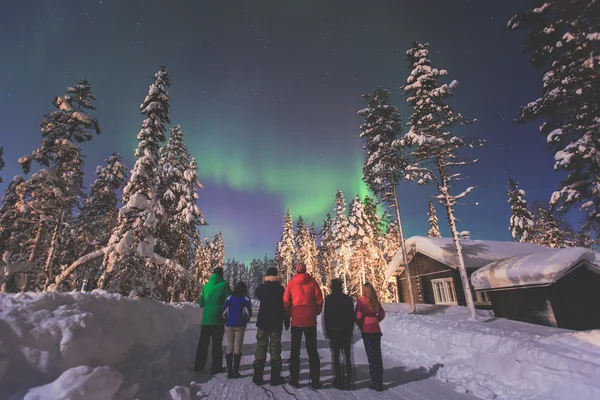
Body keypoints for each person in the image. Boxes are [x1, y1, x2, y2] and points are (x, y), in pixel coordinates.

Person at [283, 262, 324, 389]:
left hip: (296, 321)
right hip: (310, 321)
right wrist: (315, 312)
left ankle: (294, 380)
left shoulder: (291, 283)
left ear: (296, 271)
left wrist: (291, 313)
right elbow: (319, 299)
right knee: (312, 351)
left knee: (295, 351)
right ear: (305, 270)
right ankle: (315, 381)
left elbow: (285, 301)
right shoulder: (312, 282)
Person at [252, 267, 290, 386]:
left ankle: (258, 376)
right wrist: (286, 319)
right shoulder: (281, 289)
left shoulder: (262, 288)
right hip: (276, 323)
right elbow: (284, 306)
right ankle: (275, 378)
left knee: (261, 347)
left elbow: (256, 293)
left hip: (263, 322)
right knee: (275, 349)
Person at [194, 267, 231, 374]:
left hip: (206, 320)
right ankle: (216, 367)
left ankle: (198, 366)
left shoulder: (206, 286)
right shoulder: (224, 284)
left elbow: (201, 303)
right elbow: (229, 300)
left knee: (203, 344)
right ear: (222, 274)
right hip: (218, 319)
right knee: (217, 345)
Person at [323, 279, 354, 389]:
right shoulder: (348, 299)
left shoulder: (328, 299)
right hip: (345, 331)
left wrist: (327, 331)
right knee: (347, 355)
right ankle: (349, 378)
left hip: (334, 331)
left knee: (336, 356)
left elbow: (326, 316)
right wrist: (351, 330)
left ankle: (338, 379)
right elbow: (352, 316)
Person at [355, 282, 386, 392]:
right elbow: (382, 314)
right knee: (378, 355)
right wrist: (376, 320)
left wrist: (361, 324)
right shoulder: (375, 300)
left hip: (367, 331)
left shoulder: (361, 301)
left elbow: (358, 315)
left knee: (371, 357)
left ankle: (374, 382)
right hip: (376, 331)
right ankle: (380, 381)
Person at [222, 281, 253, 379]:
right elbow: (248, 312)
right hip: (240, 325)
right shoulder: (245, 298)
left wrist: (227, 319)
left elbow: (223, 310)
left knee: (229, 347)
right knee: (238, 347)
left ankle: (229, 372)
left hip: (229, 324)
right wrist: (245, 320)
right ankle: (236, 371)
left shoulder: (230, 298)